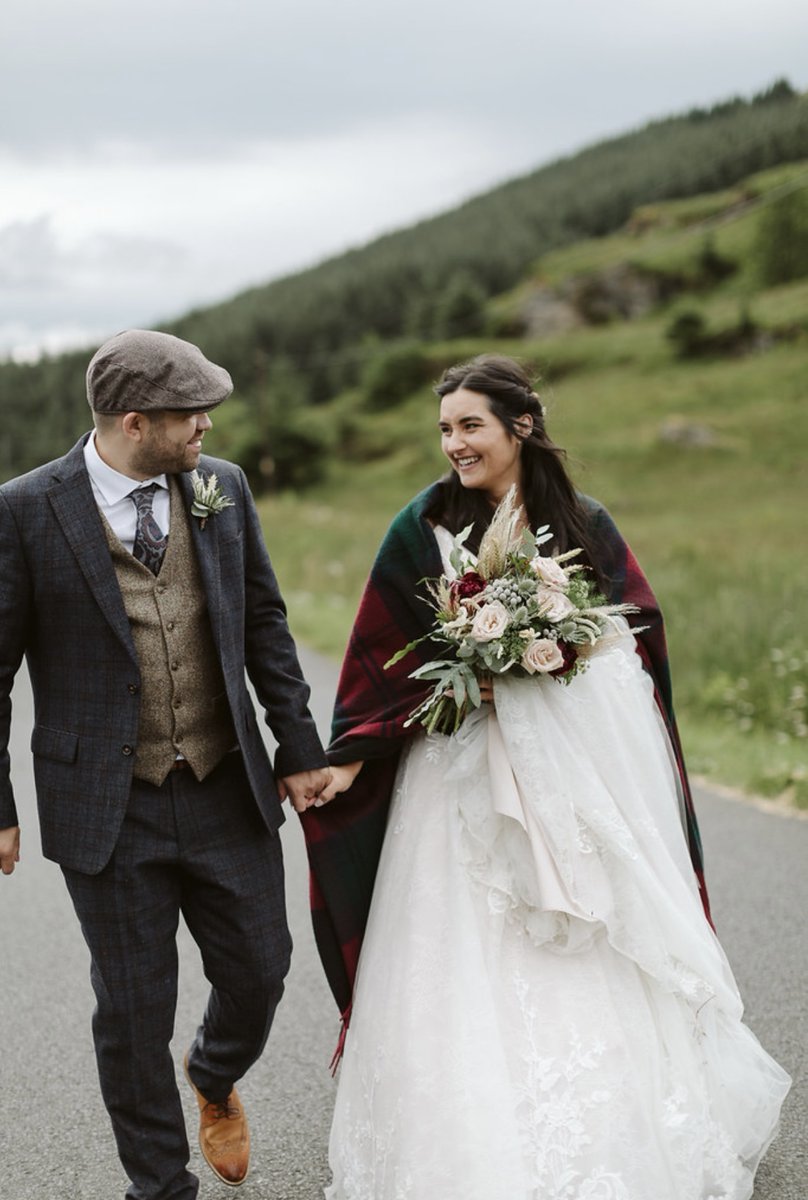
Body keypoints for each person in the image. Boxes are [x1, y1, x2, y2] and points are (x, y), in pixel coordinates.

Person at [297, 355, 790, 1199]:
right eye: (445, 429)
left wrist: (544, 665)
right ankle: (462, 1136)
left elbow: (630, 643)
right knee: (461, 943)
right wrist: (351, 753)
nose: (454, 443)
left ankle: (620, 1123)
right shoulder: (421, 526)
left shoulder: (584, 522)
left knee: (592, 932)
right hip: (456, 782)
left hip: (569, 778)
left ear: (521, 425)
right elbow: (385, 661)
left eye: (471, 425)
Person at [0, 329, 331, 1200]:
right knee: (133, 1008)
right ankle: (158, 1185)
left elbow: (265, 621)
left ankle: (213, 1070)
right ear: (135, 422)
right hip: (107, 805)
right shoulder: (25, 508)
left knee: (261, 970)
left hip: (225, 785)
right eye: (192, 414)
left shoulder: (223, 488)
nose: (207, 428)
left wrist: (298, 746)